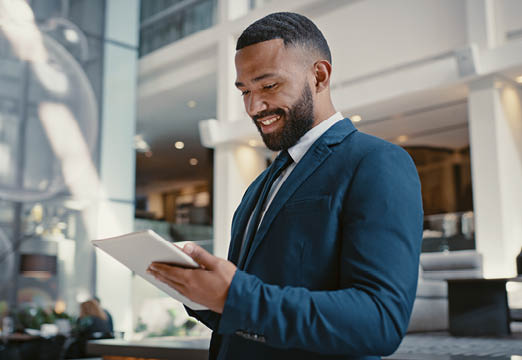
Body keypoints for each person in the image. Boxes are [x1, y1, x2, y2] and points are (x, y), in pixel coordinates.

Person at [147, 12, 423, 360]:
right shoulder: (260, 186)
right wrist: (198, 292)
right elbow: (248, 312)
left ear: (319, 76)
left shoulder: (376, 162)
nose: (253, 106)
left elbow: (380, 322)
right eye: (245, 90)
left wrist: (236, 296)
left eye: (268, 86)